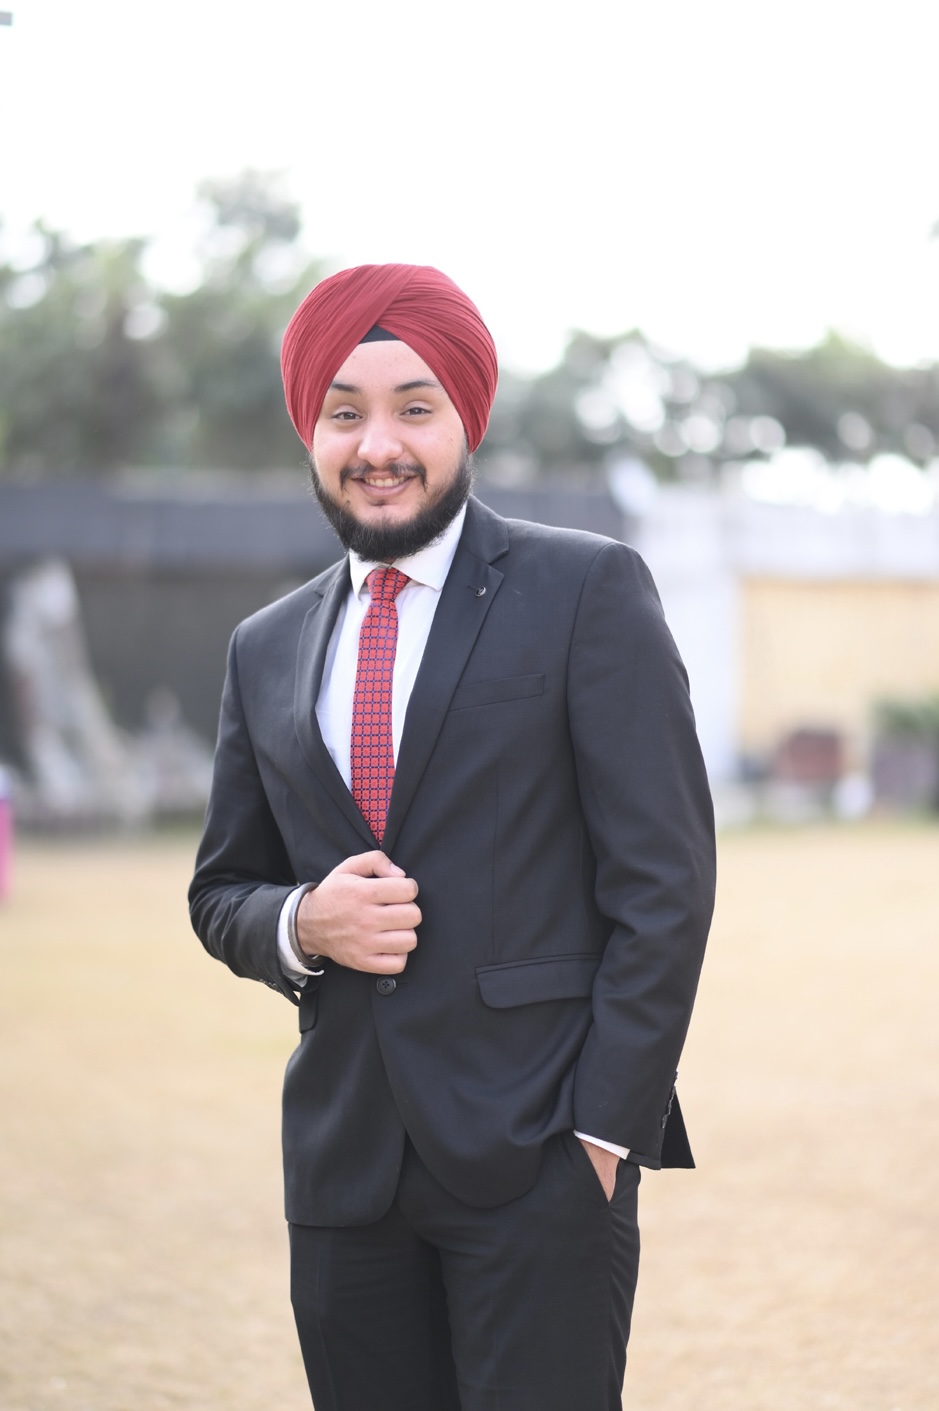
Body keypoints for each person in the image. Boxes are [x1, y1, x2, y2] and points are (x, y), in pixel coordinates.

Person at [189, 263, 715, 1411]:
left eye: (413, 407)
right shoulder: (263, 646)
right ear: (311, 430)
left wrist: (602, 1134)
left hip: (542, 1159)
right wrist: (302, 920)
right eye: (345, 412)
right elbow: (222, 887)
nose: (378, 443)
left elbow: (664, 883)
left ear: (466, 417)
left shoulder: (585, 589)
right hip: (343, 1172)